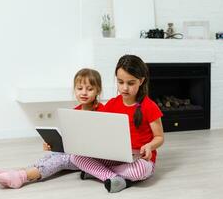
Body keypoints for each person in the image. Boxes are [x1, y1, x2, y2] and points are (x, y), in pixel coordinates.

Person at [0, 68, 103, 189]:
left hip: (87, 158)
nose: (84, 93)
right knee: (49, 156)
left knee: (61, 160)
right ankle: (12, 173)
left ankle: (21, 177)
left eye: (90, 89)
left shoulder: (102, 111)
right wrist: (55, 144)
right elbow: (71, 136)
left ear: (98, 90)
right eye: (80, 88)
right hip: (74, 150)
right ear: (74, 89)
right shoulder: (75, 111)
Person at [70, 55, 164, 193]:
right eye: (120, 82)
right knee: (75, 157)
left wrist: (149, 146)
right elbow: (100, 131)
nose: (124, 88)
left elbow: (159, 137)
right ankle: (113, 177)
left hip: (139, 159)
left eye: (131, 83)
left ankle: (98, 173)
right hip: (115, 156)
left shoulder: (149, 106)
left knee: (140, 171)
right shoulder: (112, 104)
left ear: (141, 81)